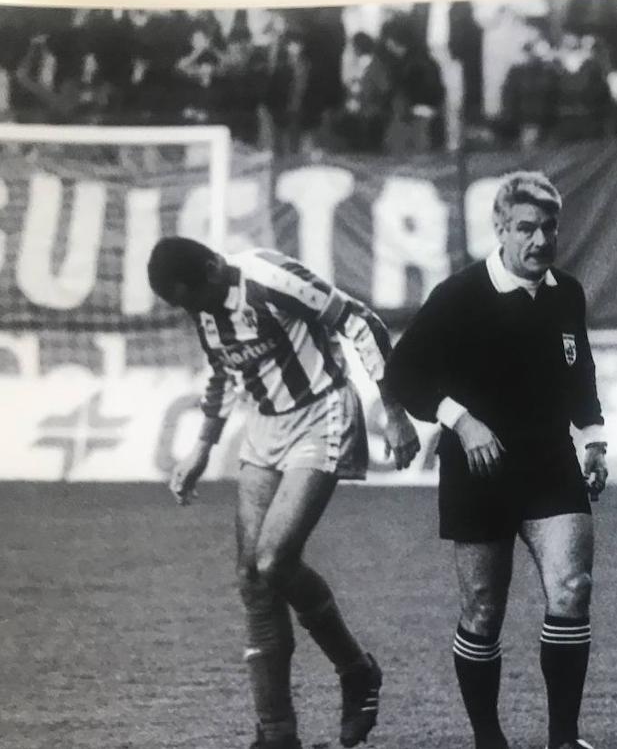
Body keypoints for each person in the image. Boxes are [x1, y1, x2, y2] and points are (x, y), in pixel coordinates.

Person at [146, 237, 421, 749]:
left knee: (274, 560)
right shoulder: (203, 304)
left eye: (194, 299)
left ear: (213, 268)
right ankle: (277, 735)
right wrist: (202, 448)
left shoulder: (270, 277)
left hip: (322, 414)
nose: (195, 311)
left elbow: (360, 320)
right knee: (252, 577)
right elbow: (225, 370)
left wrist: (395, 410)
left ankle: (356, 671)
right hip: (265, 429)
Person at [384, 171, 608, 749]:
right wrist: (460, 419)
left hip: (550, 465)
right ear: (500, 229)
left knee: (572, 587)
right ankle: (489, 738)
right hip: (477, 475)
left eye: (549, 228)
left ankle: (563, 738)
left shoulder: (568, 293)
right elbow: (403, 374)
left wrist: (595, 441)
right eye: (527, 228)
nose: (540, 240)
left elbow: (579, 375)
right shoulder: (459, 296)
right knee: (483, 610)